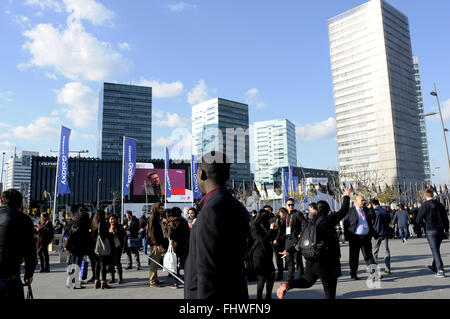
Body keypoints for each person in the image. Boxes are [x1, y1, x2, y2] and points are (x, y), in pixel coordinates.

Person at [184, 151, 250, 299]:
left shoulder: (211, 211)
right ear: (227, 176)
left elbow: (207, 273)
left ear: (201, 174)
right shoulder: (236, 205)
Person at [277, 187, 351, 300]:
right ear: (327, 209)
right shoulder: (328, 219)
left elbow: (302, 241)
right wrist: (346, 195)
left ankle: (288, 284)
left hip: (312, 260)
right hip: (327, 262)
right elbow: (344, 210)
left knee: (307, 281)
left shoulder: (312, 222)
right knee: (329, 293)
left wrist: (289, 250)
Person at [0, 189, 37, 299]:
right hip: (10, 275)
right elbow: (30, 251)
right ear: (20, 205)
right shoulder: (24, 219)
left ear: (1, 202)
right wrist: (29, 274)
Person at [416, 188, 450, 278]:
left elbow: (418, 219)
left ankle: (440, 269)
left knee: (435, 250)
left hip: (431, 229)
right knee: (436, 249)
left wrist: (422, 226)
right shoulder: (440, 205)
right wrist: (447, 229)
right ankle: (435, 266)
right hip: (440, 229)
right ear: (433, 195)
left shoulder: (424, 206)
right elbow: (445, 219)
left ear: (425, 195)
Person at [343, 194, 378, 280]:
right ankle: (353, 274)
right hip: (355, 237)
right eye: (362, 200)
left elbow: (373, 216)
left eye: (364, 200)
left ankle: (374, 273)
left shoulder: (365, 210)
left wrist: (370, 208)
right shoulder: (351, 210)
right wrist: (347, 236)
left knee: (369, 256)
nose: (364, 202)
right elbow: (346, 223)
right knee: (354, 257)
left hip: (366, 236)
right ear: (356, 202)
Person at [249, 209, 278, 299]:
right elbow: (262, 240)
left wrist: (274, 230)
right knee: (263, 276)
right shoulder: (254, 226)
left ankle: (268, 297)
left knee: (272, 274)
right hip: (259, 254)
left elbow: (270, 236)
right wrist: (271, 230)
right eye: (267, 217)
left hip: (268, 253)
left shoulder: (265, 224)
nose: (269, 219)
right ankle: (259, 298)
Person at [276, 198, 304, 282]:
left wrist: (301, 234)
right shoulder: (286, 216)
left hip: (296, 240)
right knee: (289, 260)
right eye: (289, 205)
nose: (291, 206)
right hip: (287, 241)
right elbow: (281, 228)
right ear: (286, 206)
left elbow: (306, 224)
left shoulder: (298, 214)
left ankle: (300, 278)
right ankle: (290, 278)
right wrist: (277, 238)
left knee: (298, 260)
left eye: (292, 205)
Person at [64, 206, 91, 289]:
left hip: (72, 246)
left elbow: (66, 231)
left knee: (72, 263)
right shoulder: (84, 222)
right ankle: (75, 283)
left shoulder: (74, 221)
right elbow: (86, 235)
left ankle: (69, 281)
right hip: (79, 246)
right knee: (77, 264)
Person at [163, 207, 190, 289]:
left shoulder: (171, 222)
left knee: (174, 264)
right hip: (184, 245)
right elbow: (188, 233)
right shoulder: (184, 221)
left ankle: (176, 283)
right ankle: (187, 281)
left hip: (174, 246)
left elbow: (168, 235)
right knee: (185, 263)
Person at [370, 199, 392, 274]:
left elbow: (372, 223)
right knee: (386, 250)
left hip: (376, 233)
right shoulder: (386, 211)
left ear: (373, 205)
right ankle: (387, 268)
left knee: (375, 252)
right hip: (385, 233)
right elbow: (389, 221)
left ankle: (375, 269)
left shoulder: (374, 212)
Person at [147, 202, 166, 287]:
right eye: (160, 208)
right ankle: (152, 282)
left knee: (156, 262)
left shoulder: (157, 217)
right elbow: (152, 233)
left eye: (162, 208)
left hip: (157, 243)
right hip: (155, 244)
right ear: (155, 209)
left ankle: (155, 279)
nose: (162, 210)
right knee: (154, 263)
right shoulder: (153, 218)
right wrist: (157, 244)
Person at [108, 215, 125, 284]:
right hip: (110, 247)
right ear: (109, 220)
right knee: (110, 262)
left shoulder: (120, 226)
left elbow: (123, 235)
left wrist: (116, 232)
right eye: (111, 219)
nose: (112, 221)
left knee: (118, 262)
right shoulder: (107, 227)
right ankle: (112, 278)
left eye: (114, 219)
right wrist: (110, 233)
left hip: (118, 246)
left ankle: (120, 278)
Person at [273, 207, 287, 280]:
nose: (281, 213)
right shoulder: (277, 219)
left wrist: (277, 239)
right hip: (278, 241)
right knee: (278, 259)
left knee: (287, 257)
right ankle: (280, 274)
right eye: (280, 212)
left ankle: (289, 273)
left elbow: (282, 231)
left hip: (284, 240)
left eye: (282, 212)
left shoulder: (286, 220)